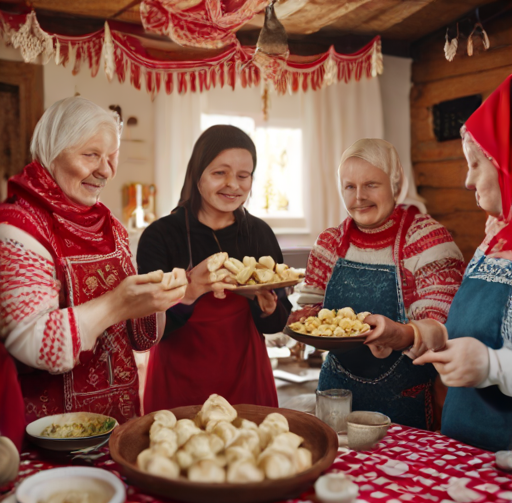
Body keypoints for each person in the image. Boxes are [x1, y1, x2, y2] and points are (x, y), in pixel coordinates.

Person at [0, 97, 187, 425]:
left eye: (112, 156)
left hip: (116, 423)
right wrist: (116, 304)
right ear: (52, 152)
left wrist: (158, 298)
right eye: (91, 155)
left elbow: (141, 339)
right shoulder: (17, 227)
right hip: (50, 430)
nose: (105, 170)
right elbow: (30, 343)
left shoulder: (111, 226)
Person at [298, 139, 464, 429]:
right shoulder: (329, 243)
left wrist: (399, 334)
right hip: (335, 391)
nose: (359, 197)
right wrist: (280, 312)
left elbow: (444, 326)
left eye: (371, 184)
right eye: (350, 187)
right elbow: (307, 313)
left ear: (396, 185)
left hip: (402, 397)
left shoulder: (427, 240)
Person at [137, 125, 291, 412]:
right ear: (197, 175)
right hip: (179, 382)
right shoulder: (160, 236)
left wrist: (269, 307)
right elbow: (147, 330)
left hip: (246, 377)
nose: (233, 184)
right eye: (220, 173)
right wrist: (190, 290)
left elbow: (278, 322)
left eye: (244, 176)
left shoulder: (259, 234)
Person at [401, 75, 512, 452]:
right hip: (462, 449)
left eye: (477, 164)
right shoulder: (491, 242)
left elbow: (491, 354)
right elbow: (475, 333)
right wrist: (429, 338)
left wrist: (492, 367)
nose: (467, 181)